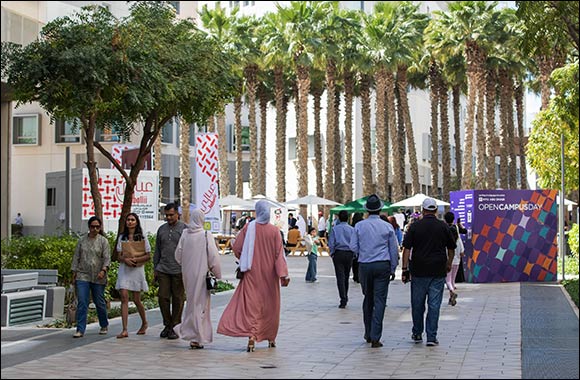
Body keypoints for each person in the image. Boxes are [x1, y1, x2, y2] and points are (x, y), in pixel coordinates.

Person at [217, 200, 290, 352]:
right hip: (270, 277)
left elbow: (237, 247)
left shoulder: (248, 228)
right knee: (270, 306)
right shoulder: (274, 231)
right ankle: (270, 337)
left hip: (251, 274)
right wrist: (283, 275)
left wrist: (244, 257)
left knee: (251, 306)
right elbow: (279, 255)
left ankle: (251, 337)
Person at [401, 197, 456, 346]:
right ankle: (431, 336)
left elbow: (406, 249)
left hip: (418, 270)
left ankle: (417, 332)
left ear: (423, 210)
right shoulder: (443, 227)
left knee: (417, 303)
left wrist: (404, 269)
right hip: (438, 270)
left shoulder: (414, 226)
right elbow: (451, 248)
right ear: (436, 210)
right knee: (434, 304)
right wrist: (449, 263)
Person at [349, 194, 399, 348]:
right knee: (380, 300)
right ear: (379, 209)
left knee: (368, 298)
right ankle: (376, 336)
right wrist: (393, 268)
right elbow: (393, 250)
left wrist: (362, 253)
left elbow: (353, 246)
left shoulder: (359, 226)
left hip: (365, 265)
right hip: (382, 265)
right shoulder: (387, 226)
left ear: (367, 210)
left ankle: (368, 332)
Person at [172, 209, 222, 349]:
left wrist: (187, 264)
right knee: (200, 305)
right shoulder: (206, 235)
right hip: (201, 275)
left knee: (191, 303)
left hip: (187, 274)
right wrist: (217, 273)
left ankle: (191, 333)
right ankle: (196, 336)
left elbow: (178, 255)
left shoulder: (185, 234)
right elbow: (213, 257)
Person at [71, 216, 110, 338]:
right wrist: (74, 272)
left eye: (97, 227)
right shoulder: (82, 241)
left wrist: (104, 270)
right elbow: (76, 257)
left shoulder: (103, 241)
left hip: (98, 276)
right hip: (83, 275)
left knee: (99, 302)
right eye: (93, 226)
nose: (95, 229)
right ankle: (80, 329)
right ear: (89, 227)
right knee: (82, 301)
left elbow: (107, 258)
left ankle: (104, 324)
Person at [115, 213, 151, 339]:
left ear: (136, 222)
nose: (130, 222)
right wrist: (125, 260)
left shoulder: (142, 237)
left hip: (137, 269)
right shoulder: (122, 237)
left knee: (136, 299)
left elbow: (148, 255)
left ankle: (144, 322)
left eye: (132, 220)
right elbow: (118, 255)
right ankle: (124, 329)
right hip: (125, 269)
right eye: (128, 220)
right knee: (124, 296)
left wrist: (136, 259)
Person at [154, 203, 186, 340]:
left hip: (179, 270)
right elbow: (158, 250)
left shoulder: (185, 229)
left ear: (178, 214)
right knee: (163, 297)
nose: (168, 217)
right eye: (166, 215)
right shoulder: (161, 229)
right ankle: (167, 324)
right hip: (163, 269)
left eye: (171, 215)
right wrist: (155, 267)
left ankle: (175, 325)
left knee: (178, 298)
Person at [328, 210, 355, 308]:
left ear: (339, 218)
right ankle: (345, 296)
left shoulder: (335, 229)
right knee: (346, 276)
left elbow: (331, 243)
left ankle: (343, 298)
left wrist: (332, 253)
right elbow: (354, 242)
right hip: (349, 253)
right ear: (348, 218)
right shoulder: (352, 229)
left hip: (338, 253)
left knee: (340, 277)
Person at [443, 212, 465, 306]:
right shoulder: (457, 237)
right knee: (452, 280)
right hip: (457, 260)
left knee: (447, 280)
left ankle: (451, 292)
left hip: (448, 260)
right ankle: (451, 297)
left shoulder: (444, 232)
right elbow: (461, 249)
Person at [350, 212, 364, 283]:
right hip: (362, 248)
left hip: (355, 248)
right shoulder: (363, 226)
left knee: (354, 263)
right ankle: (359, 276)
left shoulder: (352, 227)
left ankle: (355, 276)